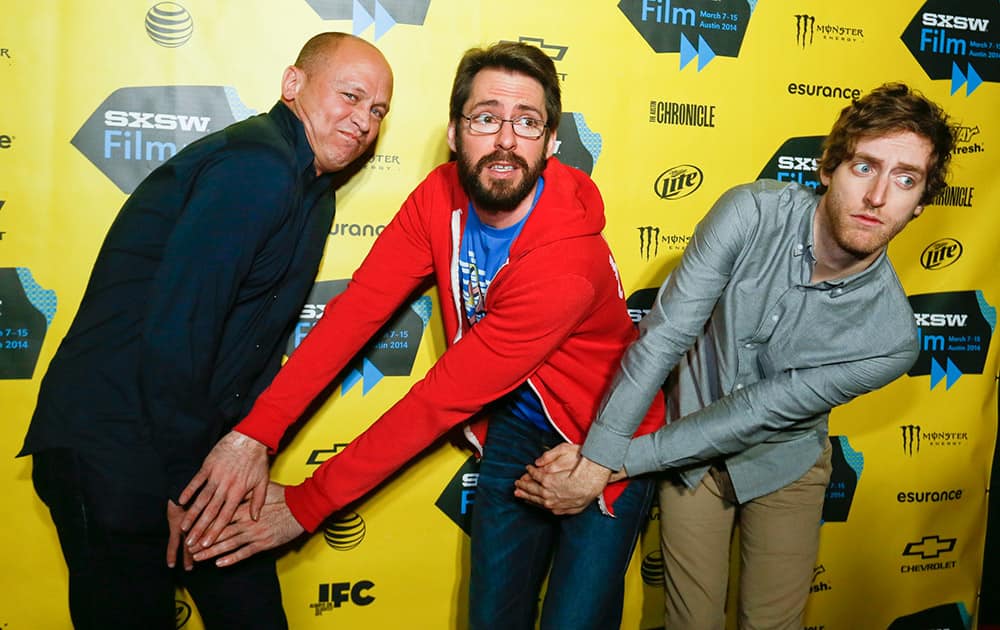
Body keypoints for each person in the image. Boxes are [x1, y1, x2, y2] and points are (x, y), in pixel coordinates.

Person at [177, 41, 665, 629]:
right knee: (492, 616)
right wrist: (256, 432)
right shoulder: (440, 195)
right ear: (456, 135)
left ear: (552, 143)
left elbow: (440, 400)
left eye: (528, 123)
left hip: (608, 433)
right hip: (520, 422)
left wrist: (307, 505)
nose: (506, 139)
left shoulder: (565, 266)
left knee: (576, 621)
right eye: (486, 118)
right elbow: (355, 314)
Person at [514, 82, 954, 629]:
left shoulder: (891, 340)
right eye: (865, 167)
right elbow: (663, 338)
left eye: (905, 179)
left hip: (785, 462)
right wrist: (597, 457)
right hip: (687, 455)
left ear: (919, 206)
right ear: (828, 170)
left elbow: (757, 413)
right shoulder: (750, 213)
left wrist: (602, 465)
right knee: (690, 623)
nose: (878, 196)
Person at [19, 32, 392, 630]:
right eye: (349, 96)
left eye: (377, 110)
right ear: (293, 84)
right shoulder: (257, 166)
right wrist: (182, 481)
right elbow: (178, 332)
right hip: (113, 446)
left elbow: (251, 345)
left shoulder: (313, 193)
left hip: (190, 450)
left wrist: (240, 452)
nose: (363, 121)